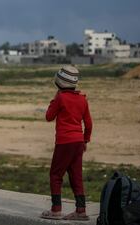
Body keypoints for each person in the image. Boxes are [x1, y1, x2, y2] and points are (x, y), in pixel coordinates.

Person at [41, 65, 93, 221]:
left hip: (64, 142)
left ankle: (56, 210)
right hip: (78, 142)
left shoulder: (61, 98)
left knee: (56, 174)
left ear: (59, 83)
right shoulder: (83, 99)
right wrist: (85, 140)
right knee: (76, 176)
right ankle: (81, 210)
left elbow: (49, 116)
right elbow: (89, 124)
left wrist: (54, 100)